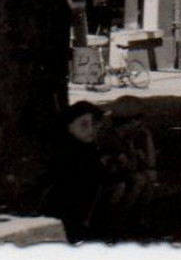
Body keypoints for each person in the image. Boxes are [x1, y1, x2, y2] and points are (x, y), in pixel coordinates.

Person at [47, 100, 109, 243]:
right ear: (69, 127)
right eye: (84, 124)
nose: (90, 130)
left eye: (93, 125)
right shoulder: (68, 152)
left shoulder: (89, 149)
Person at [98, 95, 158, 237]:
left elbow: (150, 163)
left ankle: (139, 220)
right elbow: (126, 164)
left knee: (149, 178)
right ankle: (118, 223)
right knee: (137, 180)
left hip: (118, 173)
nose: (141, 125)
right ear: (130, 122)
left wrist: (147, 139)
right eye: (138, 121)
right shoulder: (112, 138)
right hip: (107, 176)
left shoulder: (130, 136)